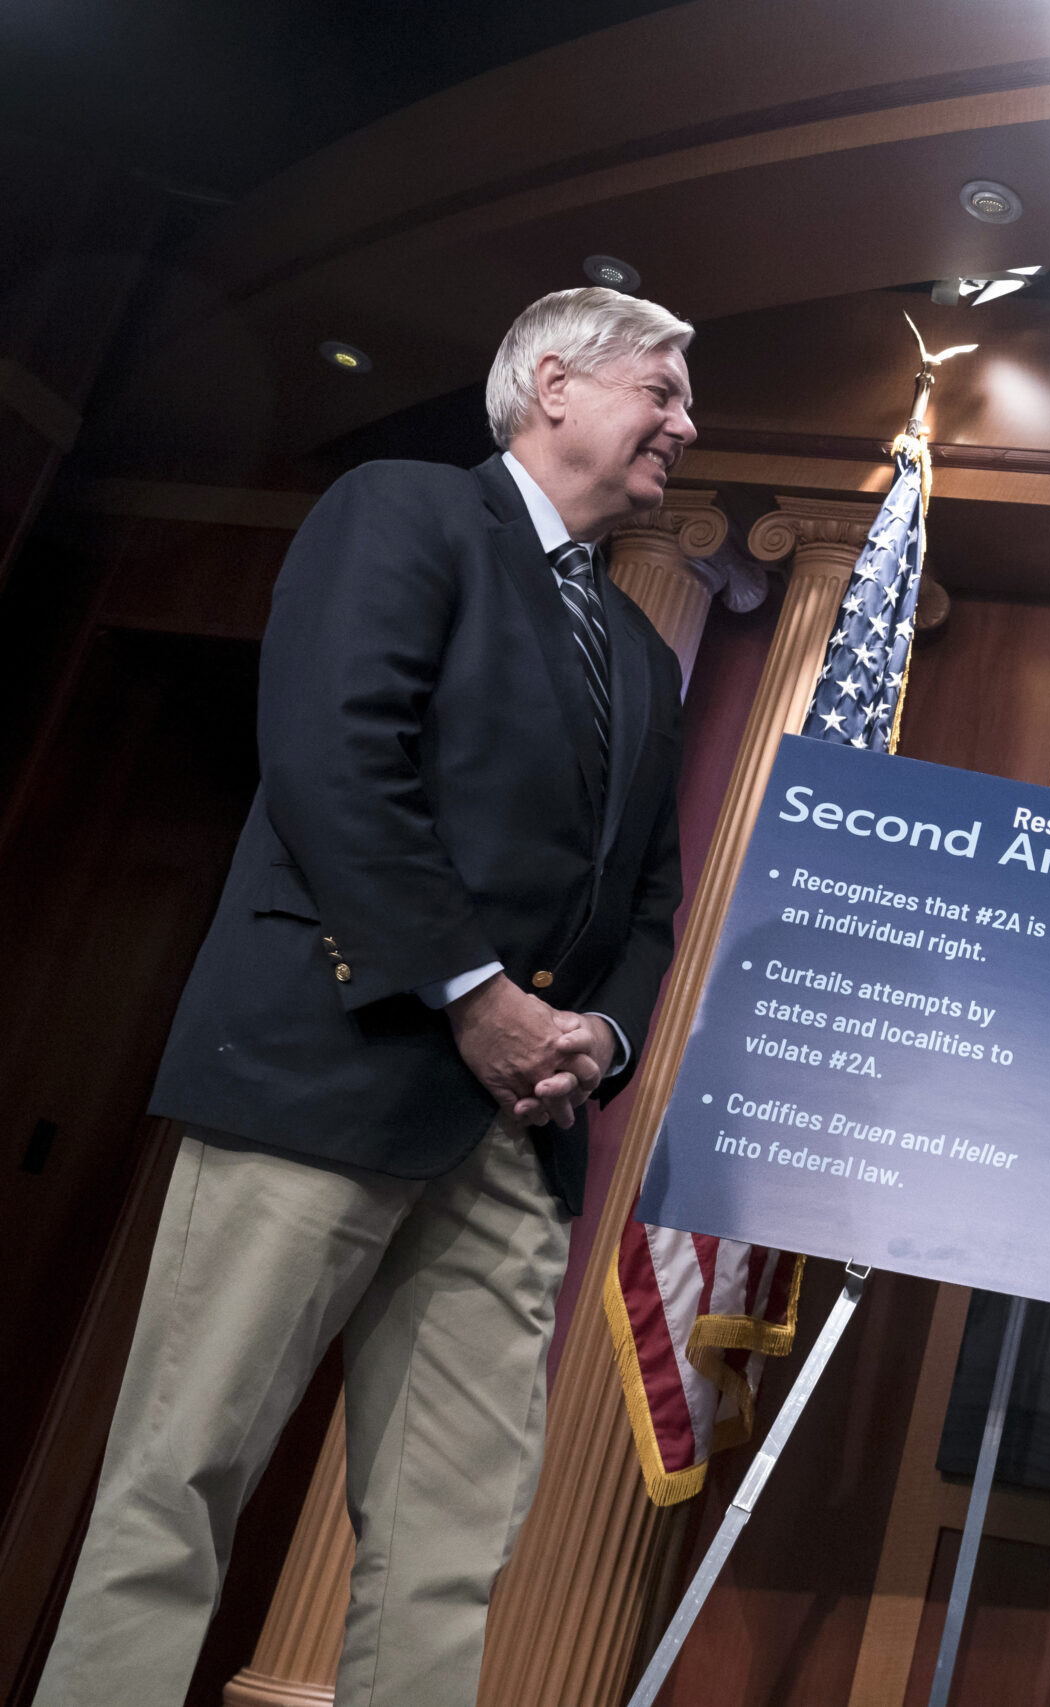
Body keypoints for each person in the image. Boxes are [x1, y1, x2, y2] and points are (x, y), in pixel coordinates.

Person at [36, 287, 697, 1707]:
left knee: (453, 1545)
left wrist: (600, 1032)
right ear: (558, 385)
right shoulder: (400, 508)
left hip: (516, 1139)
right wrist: (476, 993)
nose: (686, 425)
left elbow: (651, 898)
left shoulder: (642, 654)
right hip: (325, 1074)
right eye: (665, 388)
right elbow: (338, 762)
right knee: (180, 1481)